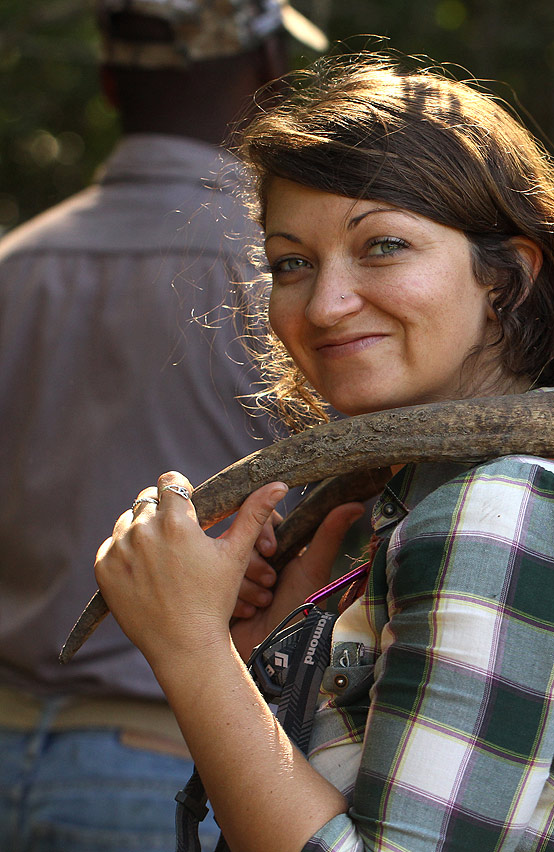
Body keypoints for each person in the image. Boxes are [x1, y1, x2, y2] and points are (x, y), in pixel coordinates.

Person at [92, 55, 554, 852]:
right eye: (292, 263)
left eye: (383, 245)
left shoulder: (504, 510)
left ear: (507, 279)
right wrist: (269, 659)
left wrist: (188, 649)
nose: (324, 304)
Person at [0, 2, 327, 850]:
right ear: (270, 77)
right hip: (172, 758)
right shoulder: (294, 279)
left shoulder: (17, 267)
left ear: (109, 82)